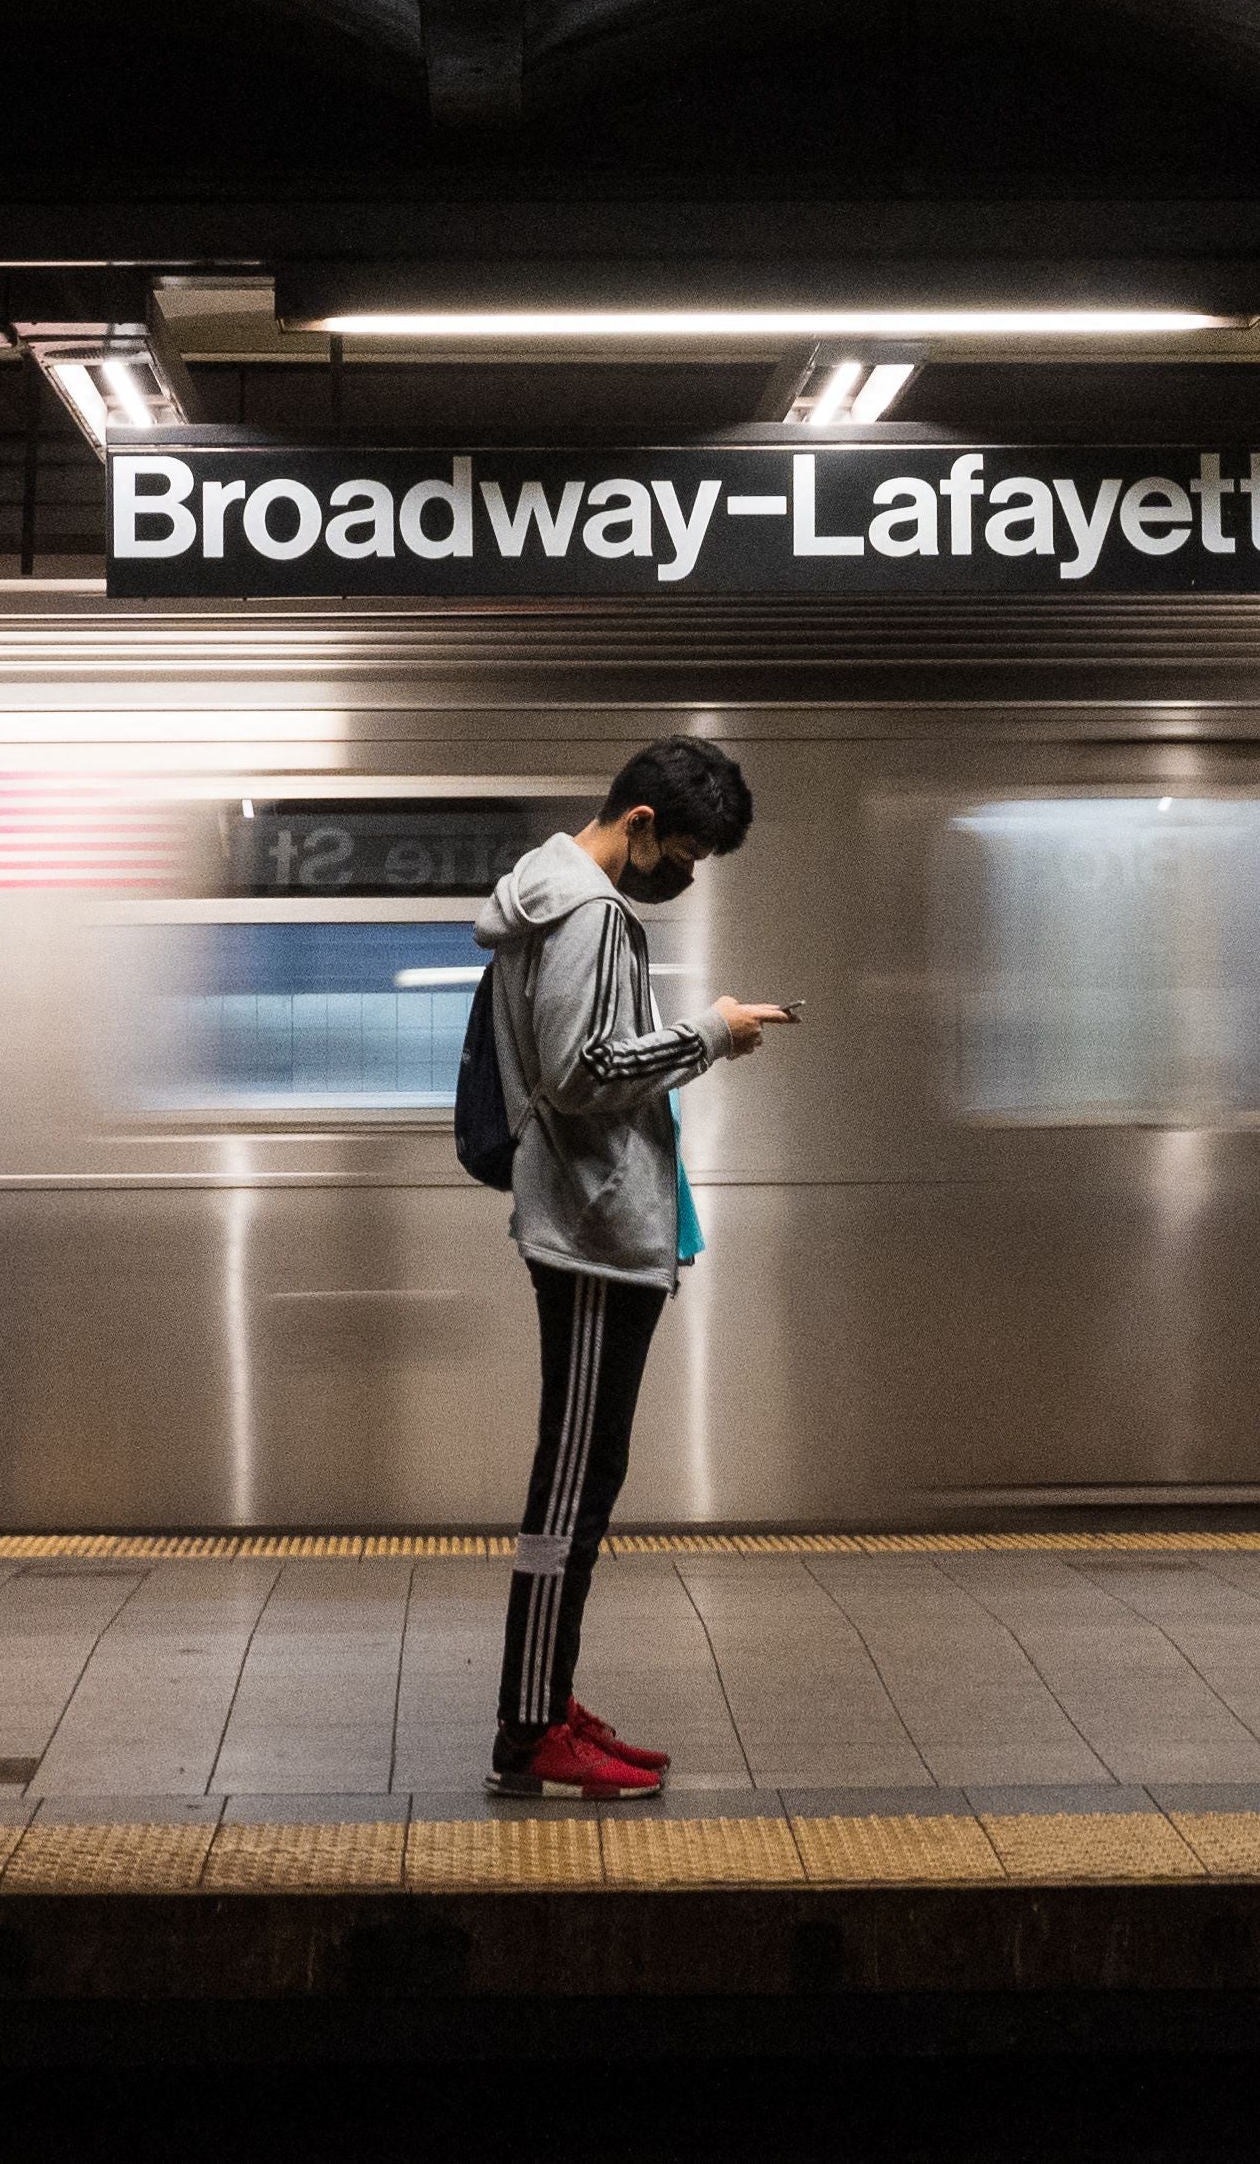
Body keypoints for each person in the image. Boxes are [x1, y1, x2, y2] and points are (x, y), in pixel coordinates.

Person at [475, 734, 798, 1801]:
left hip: (593, 1230)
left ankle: (546, 1695)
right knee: (569, 1486)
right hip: (591, 1234)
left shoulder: (551, 898)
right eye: (689, 854)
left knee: (585, 1476)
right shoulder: (590, 912)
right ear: (643, 824)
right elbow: (583, 1070)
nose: (688, 877)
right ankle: (529, 1727)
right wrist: (710, 1034)